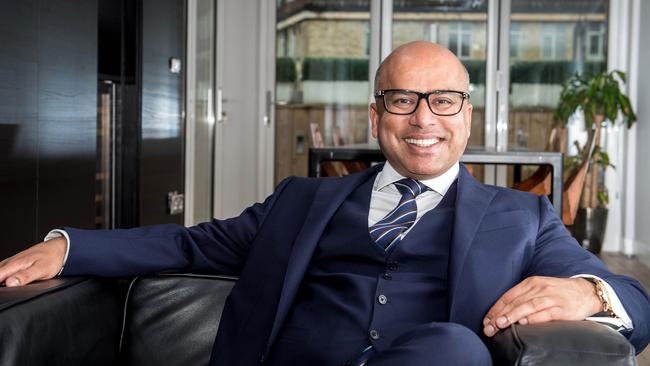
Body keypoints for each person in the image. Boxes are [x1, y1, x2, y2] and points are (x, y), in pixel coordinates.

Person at [1, 41, 649, 366]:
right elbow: (188, 243)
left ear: (467, 116)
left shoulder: (521, 217)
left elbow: (637, 305)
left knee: (453, 349)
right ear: (377, 114)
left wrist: (590, 293)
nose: (423, 118)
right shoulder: (301, 201)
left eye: (443, 100)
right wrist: (67, 244)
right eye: (402, 99)